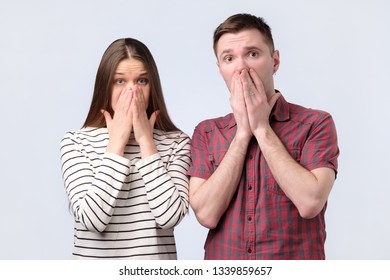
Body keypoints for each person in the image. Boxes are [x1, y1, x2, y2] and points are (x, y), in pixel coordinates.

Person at [188, 13, 339, 259]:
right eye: (229, 58)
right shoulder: (206, 132)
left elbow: (310, 203)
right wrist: (242, 134)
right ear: (220, 68)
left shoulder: (316, 124)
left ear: (275, 60)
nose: (241, 67)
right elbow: (206, 214)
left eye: (253, 54)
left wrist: (262, 129)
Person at [60, 38, 191, 259]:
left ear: (153, 87)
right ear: (105, 86)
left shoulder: (177, 143)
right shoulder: (76, 142)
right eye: (120, 82)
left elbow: (169, 217)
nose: (132, 92)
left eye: (141, 81)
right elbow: (92, 220)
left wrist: (146, 142)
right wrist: (116, 143)